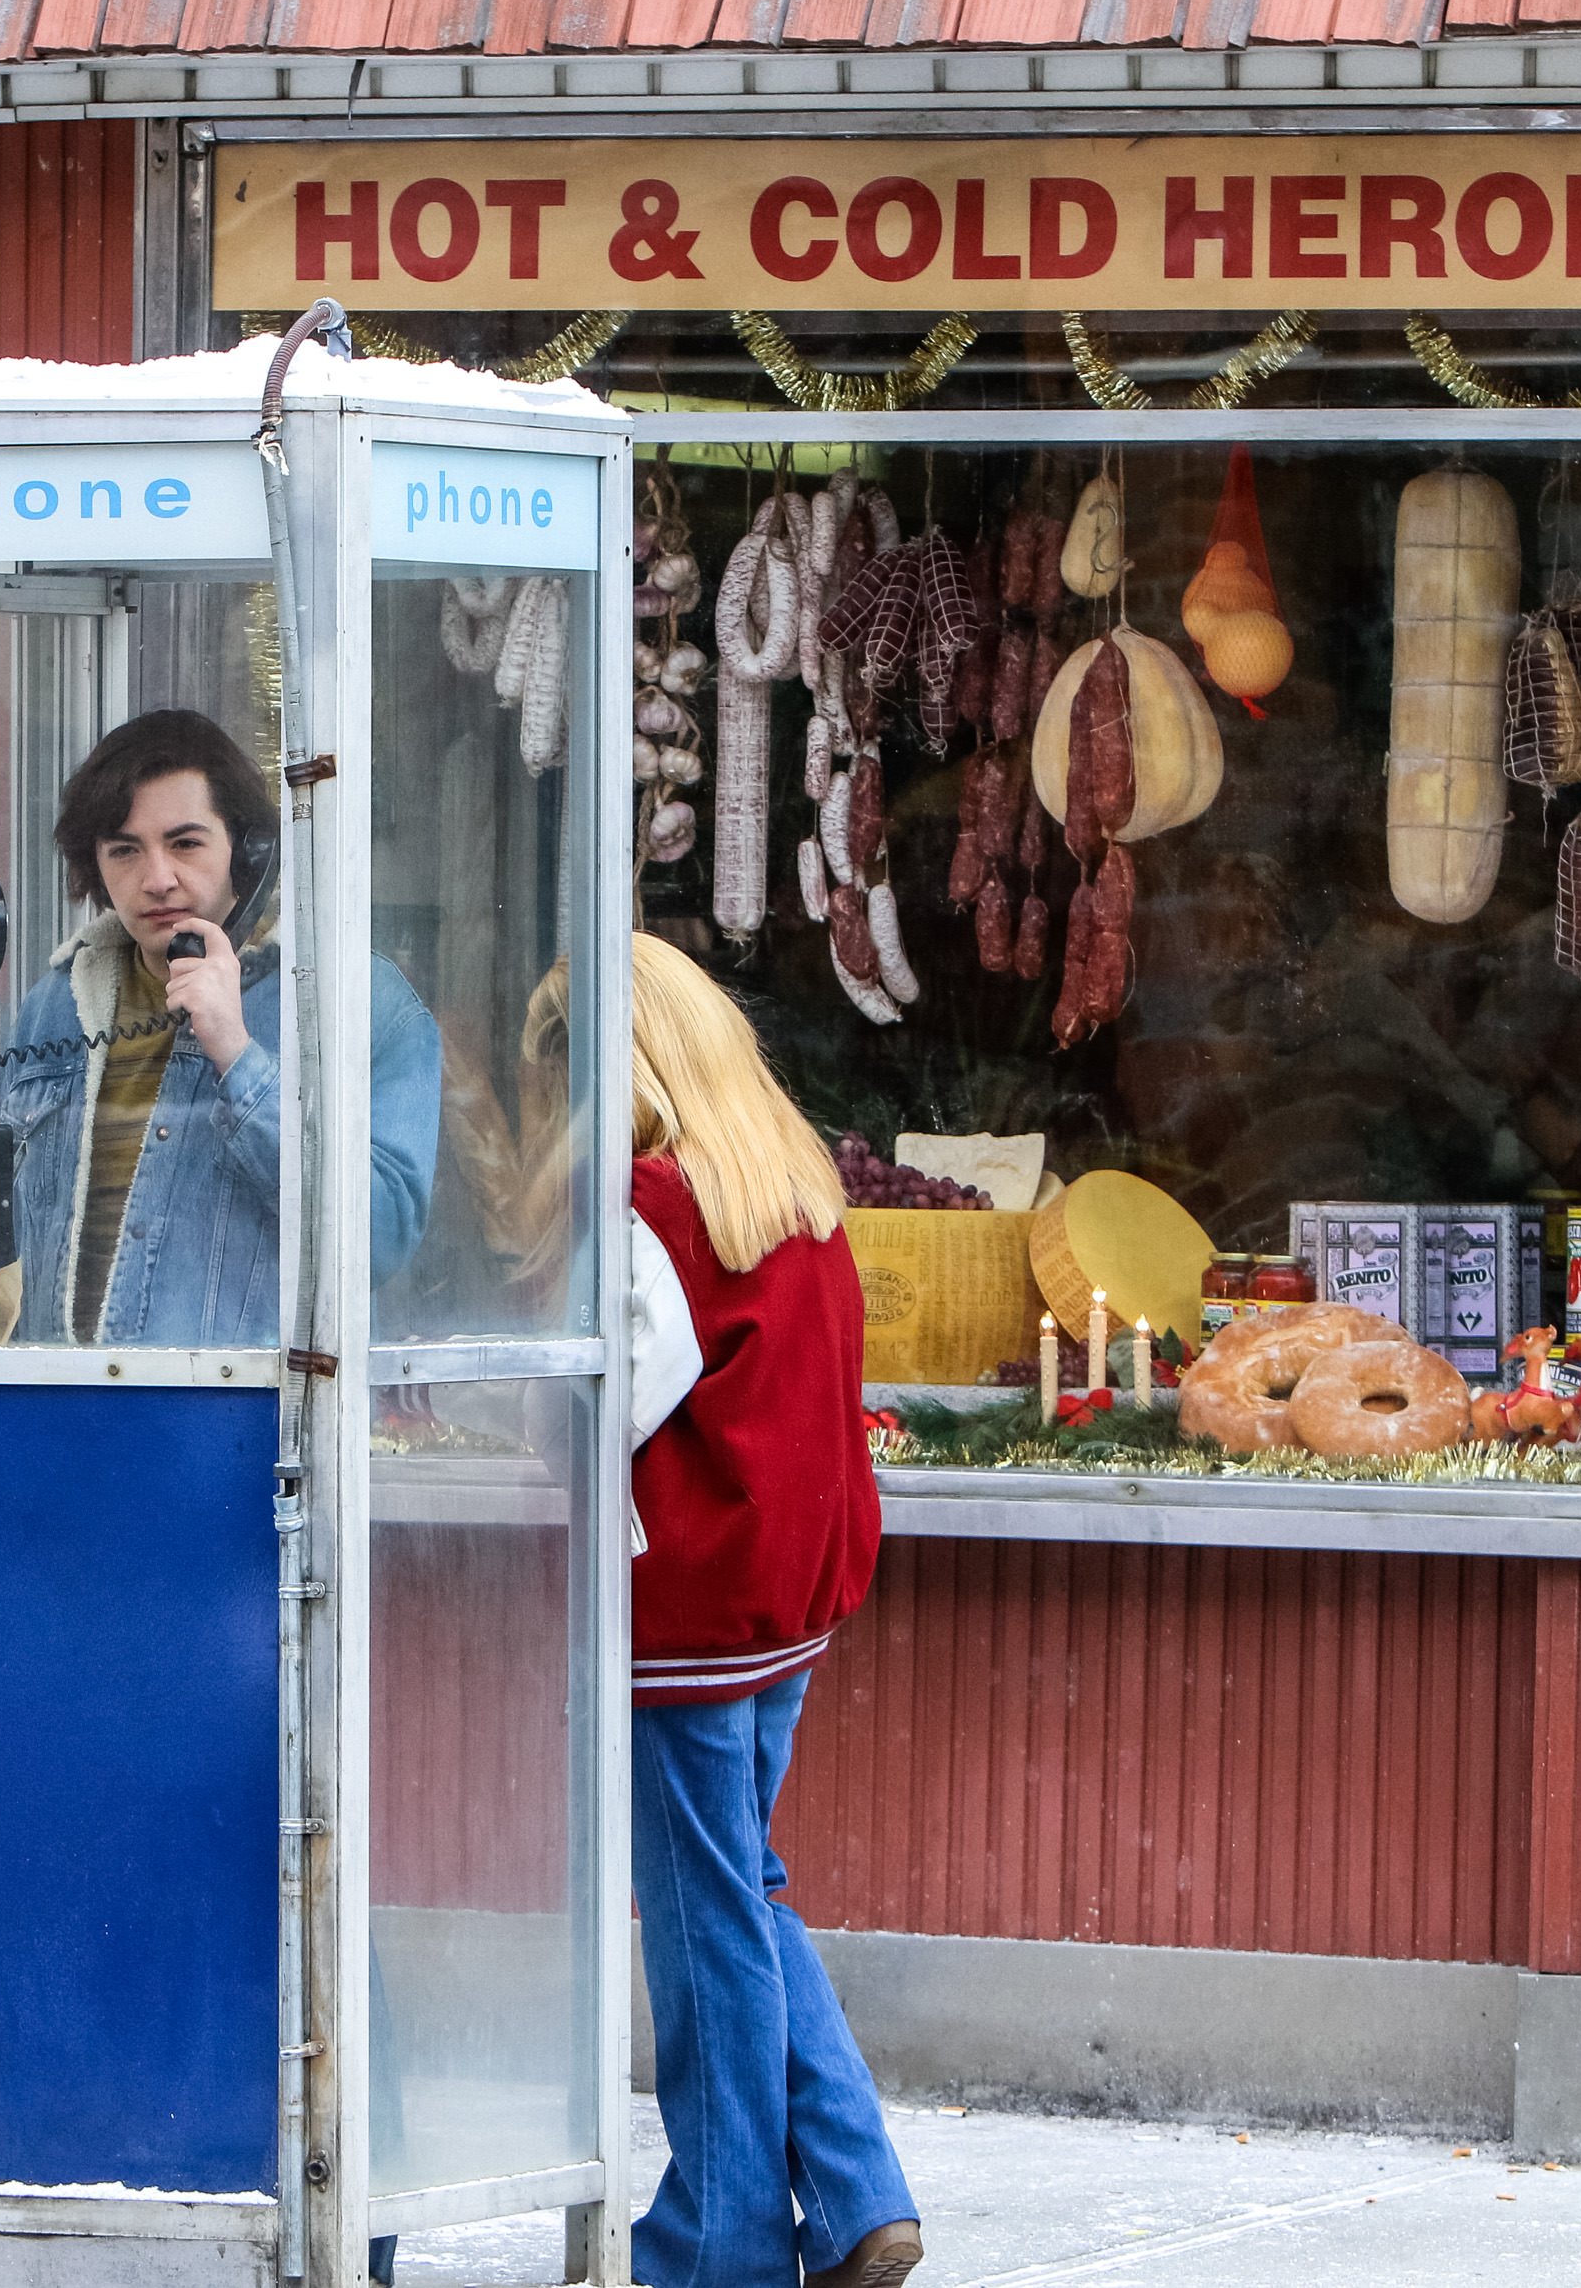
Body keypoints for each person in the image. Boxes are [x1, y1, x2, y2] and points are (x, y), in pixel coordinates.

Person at [609, 933, 922, 2288]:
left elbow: (603, 1398)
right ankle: (856, 2197)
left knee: (702, 1920)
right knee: (743, 1882)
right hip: (787, 1604)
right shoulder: (791, 1191)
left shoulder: (648, 1204)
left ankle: (721, 2237)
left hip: (682, 1612)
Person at [0, 709, 441, 1346]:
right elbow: (6, 1234)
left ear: (250, 850)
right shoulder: (56, 1004)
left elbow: (382, 1237)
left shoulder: (351, 1001)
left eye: (185, 844)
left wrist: (236, 1051)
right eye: (125, 850)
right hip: (61, 1406)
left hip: (241, 1414)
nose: (157, 879)